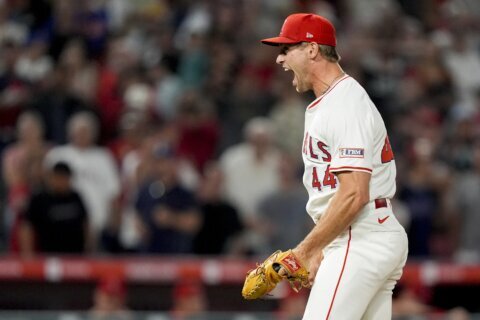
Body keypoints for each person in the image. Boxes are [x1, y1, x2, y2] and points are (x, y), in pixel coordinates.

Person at [260, 13, 408, 319]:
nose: (280, 59)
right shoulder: (331, 102)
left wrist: (305, 251)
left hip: (360, 237)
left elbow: (354, 194)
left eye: (287, 48)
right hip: (359, 235)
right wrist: (323, 248)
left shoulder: (344, 104)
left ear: (312, 50)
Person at [19, 162, 91, 255]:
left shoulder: (76, 197)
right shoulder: (40, 199)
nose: (61, 182)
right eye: (58, 177)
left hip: (75, 256)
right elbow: (26, 227)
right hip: (47, 255)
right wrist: (27, 253)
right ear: (51, 178)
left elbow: (85, 223)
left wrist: (88, 248)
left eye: (65, 178)